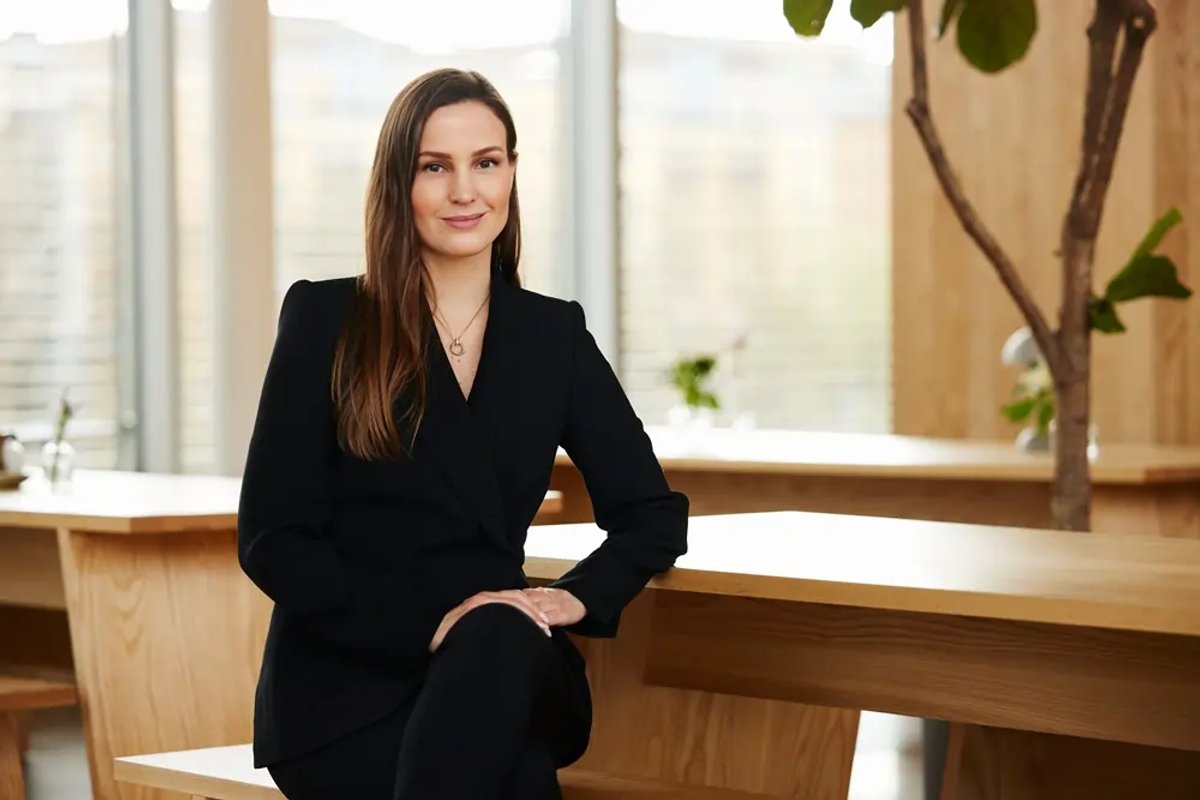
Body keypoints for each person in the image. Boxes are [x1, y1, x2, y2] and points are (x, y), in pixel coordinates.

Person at [236, 67, 689, 799]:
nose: (465, 191)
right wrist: (431, 622)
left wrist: (569, 598)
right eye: (434, 167)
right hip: (348, 689)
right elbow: (271, 540)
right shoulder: (327, 321)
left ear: (511, 173)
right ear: (398, 183)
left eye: (486, 162)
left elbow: (652, 513)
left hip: (505, 666)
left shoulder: (553, 336)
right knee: (513, 778)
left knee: (498, 637)